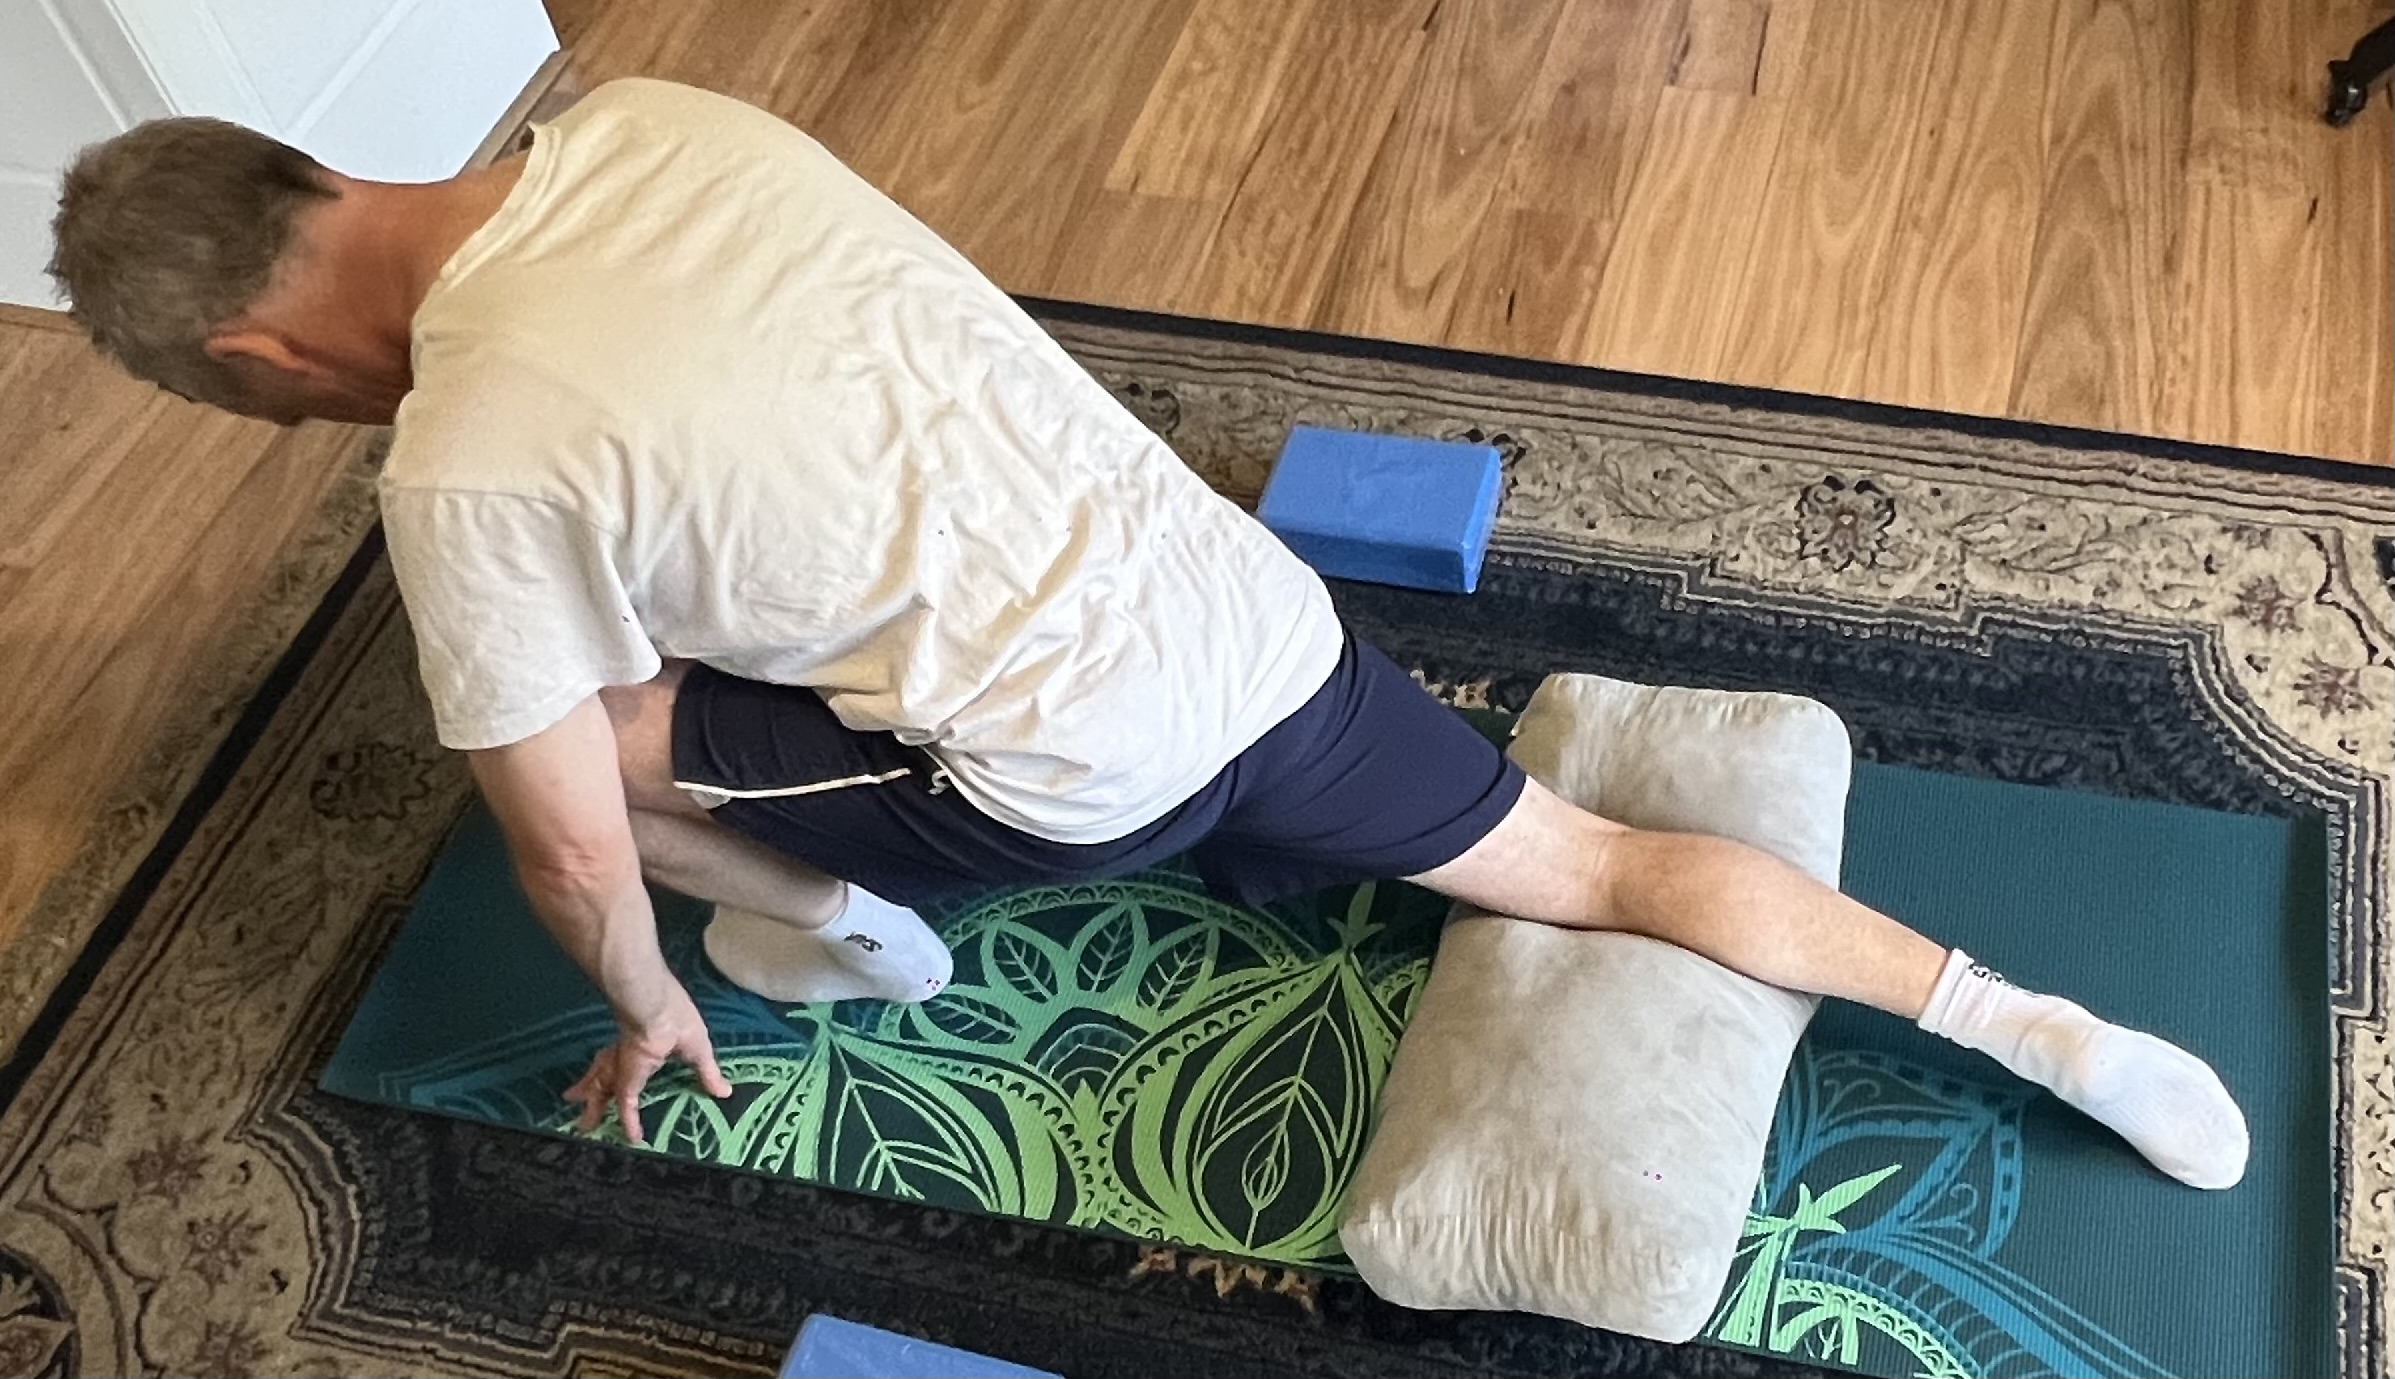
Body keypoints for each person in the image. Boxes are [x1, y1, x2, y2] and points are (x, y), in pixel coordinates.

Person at [46, 78, 2247, 1189]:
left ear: (257, 360)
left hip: (1067, 784)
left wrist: (643, 996)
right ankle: (2035, 1026)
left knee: (576, 745)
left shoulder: (459, 465)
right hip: (1254, 629)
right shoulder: (650, 122)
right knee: (1588, 864)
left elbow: (560, 848)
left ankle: (852, 937)